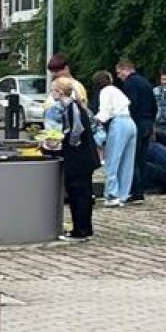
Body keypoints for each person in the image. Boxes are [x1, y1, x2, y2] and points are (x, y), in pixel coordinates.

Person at [51, 77, 99, 241]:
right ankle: (84, 228)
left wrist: (61, 141)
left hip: (79, 159)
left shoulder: (72, 108)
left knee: (79, 194)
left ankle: (81, 230)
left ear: (59, 92)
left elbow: (76, 132)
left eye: (53, 90)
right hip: (84, 158)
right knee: (82, 194)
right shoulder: (73, 106)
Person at [92, 70, 136, 208]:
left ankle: (112, 194)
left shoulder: (105, 91)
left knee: (113, 160)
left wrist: (94, 121)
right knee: (127, 161)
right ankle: (123, 194)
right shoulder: (117, 90)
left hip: (119, 124)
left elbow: (105, 112)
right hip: (130, 122)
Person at [115, 59, 157, 203]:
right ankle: (141, 190)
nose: (119, 76)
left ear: (126, 69)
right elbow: (154, 105)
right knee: (142, 159)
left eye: (119, 73)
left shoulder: (130, 84)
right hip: (147, 122)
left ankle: (134, 190)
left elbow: (131, 104)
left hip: (136, 122)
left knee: (132, 158)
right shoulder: (146, 83)